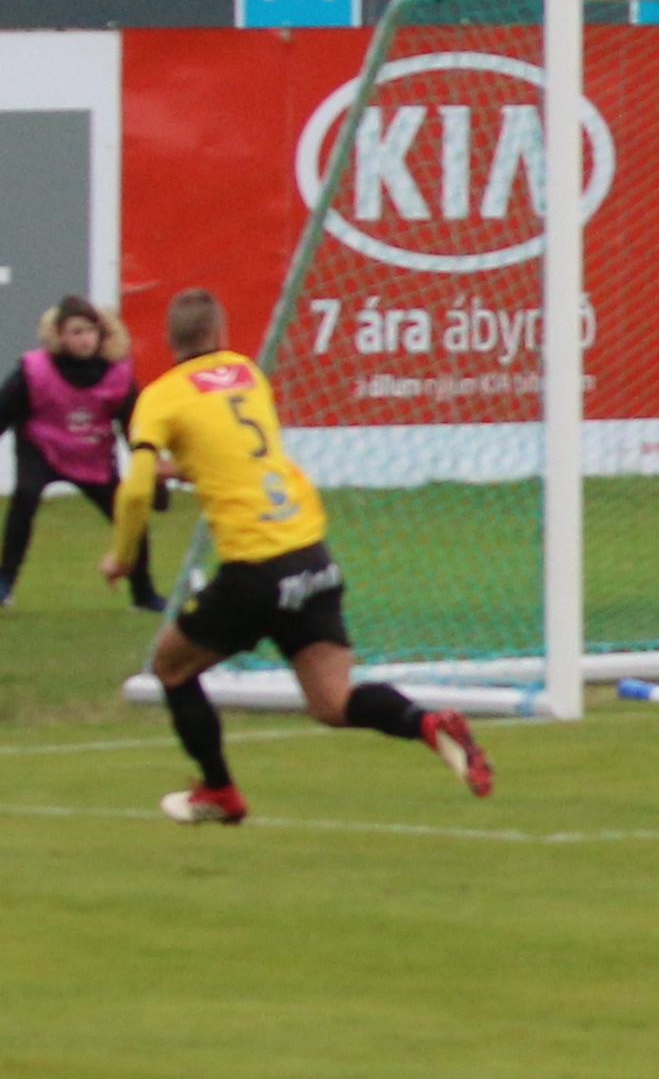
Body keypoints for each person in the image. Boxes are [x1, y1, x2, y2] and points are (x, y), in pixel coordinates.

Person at [104, 288, 492, 825]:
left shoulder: (160, 397)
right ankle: (425, 724)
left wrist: (123, 557)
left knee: (171, 667)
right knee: (332, 702)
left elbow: (135, 491)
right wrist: (186, 469)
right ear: (220, 334)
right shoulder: (247, 375)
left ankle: (219, 791)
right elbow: (233, 457)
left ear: (169, 341)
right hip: (311, 557)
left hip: (254, 569)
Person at [1, 296, 160, 611]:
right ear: (59, 336)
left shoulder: (117, 375)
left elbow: (136, 430)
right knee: (25, 497)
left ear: (101, 333)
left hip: (92, 458)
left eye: (90, 331)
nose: (85, 339)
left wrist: (154, 478)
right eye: (76, 332)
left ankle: (143, 594)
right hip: (41, 449)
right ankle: (4, 582)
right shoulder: (34, 371)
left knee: (128, 512)